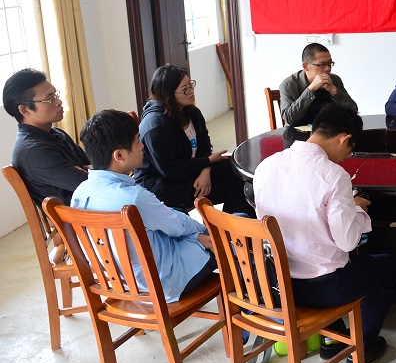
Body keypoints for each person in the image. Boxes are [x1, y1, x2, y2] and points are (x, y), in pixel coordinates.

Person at [253, 105, 396, 363]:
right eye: (350, 149)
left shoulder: (266, 166)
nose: (347, 156)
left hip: (276, 284)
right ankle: (363, 345)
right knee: (388, 266)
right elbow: (347, 241)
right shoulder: (334, 176)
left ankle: (333, 339)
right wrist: (355, 208)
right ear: (344, 139)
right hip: (322, 289)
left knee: (324, 253)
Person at [71, 110, 216, 303]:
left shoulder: (80, 193)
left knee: (184, 224)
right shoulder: (134, 198)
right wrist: (202, 231)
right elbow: (177, 226)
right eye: (137, 141)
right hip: (162, 284)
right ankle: (249, 303)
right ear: (119, 155)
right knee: (225, 236)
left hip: (122, 284)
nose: (142, 146)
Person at [134, 64, 252, 215]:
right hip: (165, 185)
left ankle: (234, 225)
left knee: (235, 172)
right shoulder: (155, 127)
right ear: (168, 95)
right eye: (185, 89)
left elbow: (205, 146)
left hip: (190, 171)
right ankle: (245, 224)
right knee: (233, 187)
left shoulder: (192, 113)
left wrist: (206, 171)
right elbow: (171, 170)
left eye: (191, 85)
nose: (191, 91)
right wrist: (207, 162)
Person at [3, 68, 89, 205]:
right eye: (50, 99)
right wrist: (88, 170)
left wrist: (89, 170)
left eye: (56, 95)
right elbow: (91, 184)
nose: (59, 102)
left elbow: (96, 167)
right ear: (24, 110)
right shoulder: (33, 151)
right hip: (84, 215)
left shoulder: (55, 133)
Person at [279, 43, 358, 126]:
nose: (327, 68)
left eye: (329, 63)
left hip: (329, 129)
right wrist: (311, 90)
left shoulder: (335, 79)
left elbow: (353, 111)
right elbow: (290, 120)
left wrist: (334, 91)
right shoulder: (289, 85)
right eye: (322, 64)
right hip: (299, 131)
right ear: (305, 66)